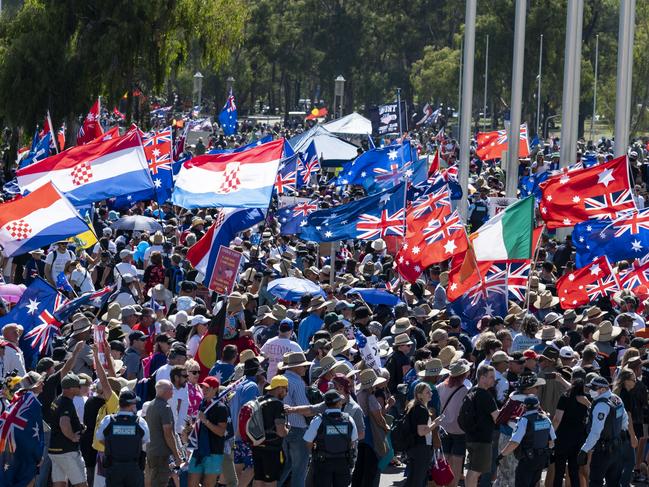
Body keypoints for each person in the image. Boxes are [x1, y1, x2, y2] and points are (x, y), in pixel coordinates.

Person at [577, 375, 629, 486]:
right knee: (614, 482)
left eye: (593, 388)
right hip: (617, 448)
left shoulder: (601, 405)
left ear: (603, 389)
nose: (591, 391)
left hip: (603, 451)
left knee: (596, 482)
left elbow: (596, 432)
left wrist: (584, 450)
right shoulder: (617, 399)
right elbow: (625, 421)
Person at [95, 390, 150, 487]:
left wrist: (113, 445)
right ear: (131, 405)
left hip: (113, 467)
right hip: (134, 467)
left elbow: (99, 438)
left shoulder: (108, 420)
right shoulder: (139, 421)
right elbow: (146, 441)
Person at [304, 389, 358, 487]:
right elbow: (353, 441)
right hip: (343, 461)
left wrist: (315, 452)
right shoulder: (349, 419)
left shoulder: (318, 420)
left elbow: (308, 442)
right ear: (338, 403)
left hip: (323, 462)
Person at [498, 396, 555, 487]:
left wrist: (501, 455)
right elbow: (552, 442)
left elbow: (514, 442)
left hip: (527, 459)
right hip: (541, 459)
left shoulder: (524, 420)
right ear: (538, 406)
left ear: (524, 407)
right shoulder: (546, 419)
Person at [277, 352, 312, 487]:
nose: (305, 368)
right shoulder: (297, 382)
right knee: (299, 469)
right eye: (302, 366)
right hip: (297, 429)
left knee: (287, 465)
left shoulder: (280, 379)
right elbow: (305, 409)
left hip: (282, 428)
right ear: (295, 367)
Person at [188, 376, 229, 487]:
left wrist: (205, 421)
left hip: (214, 452)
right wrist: (191, 428)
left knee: (208, 484)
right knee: (191, 482)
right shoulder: (202, 404)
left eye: (207, 388)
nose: (204, 390)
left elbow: (221, 432)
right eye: (203, 387)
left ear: (215, 389)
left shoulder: (221, 408)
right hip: (199, 450)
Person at [48, 373, 87, 487]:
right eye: (78, 386)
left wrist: (77, 425)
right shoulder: (66, 403)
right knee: (81, 484)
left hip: (54, 450)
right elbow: (63, 422)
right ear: (70, 389)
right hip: (67, 451)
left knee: (59, 484)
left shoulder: (58, 400)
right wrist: (73, 437)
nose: (81, 388)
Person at [464, 365, 499, 487]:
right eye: (491, 377)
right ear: (482, 378)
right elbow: (497, 418)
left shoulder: (471, 391)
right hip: (482, 439)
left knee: (473, 469)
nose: (493, 380)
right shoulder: (485, 395)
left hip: (471, 437)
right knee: (476, 471)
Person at [251, 375, 289, 487]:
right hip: (271, 450)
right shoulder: (277, 404)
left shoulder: (259, 400)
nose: (286, 393)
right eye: (286, 389)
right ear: (280, 388)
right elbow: (281, 432)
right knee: (271, 482)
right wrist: (288, 429)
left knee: (258, 479)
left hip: (257, 446)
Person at [144, 380, 183, 487]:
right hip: (161, 454)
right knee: (160, 483)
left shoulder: (151, 405)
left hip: (152, 451)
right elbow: (168, 432)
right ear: (164, 391)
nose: (173, 392)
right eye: (171, 389)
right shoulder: (164, 407)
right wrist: (176, 455)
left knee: (150, 481)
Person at [404, 382, 443, 486]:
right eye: (427, 392)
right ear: (419, 395)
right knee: (418, 480)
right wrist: (436, 423)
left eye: (430, 391)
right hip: (421, 448)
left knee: (413, 478)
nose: (431, 394)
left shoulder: (413, 407)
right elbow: (422, 432)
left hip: (413, 447)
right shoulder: (421, 410)